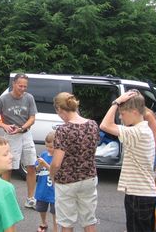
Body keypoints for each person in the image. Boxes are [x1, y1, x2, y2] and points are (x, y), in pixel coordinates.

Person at [100, 90, 156, 232]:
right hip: (142, 194)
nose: (120, 116)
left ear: (135, 112)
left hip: (139, 197)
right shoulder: (141, 130)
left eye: (123, 113)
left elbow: (105, 125)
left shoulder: (137, 132)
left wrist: (116, 102)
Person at [50, 92, 99, 232]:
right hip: (89, 177)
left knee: (67, 223)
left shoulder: (63, 130)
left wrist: (51, 175)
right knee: (89, 221)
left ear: (59, 109)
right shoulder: (93, 125)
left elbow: (57, 163)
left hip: (67, 181)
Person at [0, 73, 38, 209]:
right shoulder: (4, 99)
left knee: (31, 166)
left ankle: (30, 199)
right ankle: (5, 199)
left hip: (26, 134)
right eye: (20, 85)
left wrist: (22, 128)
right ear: (14, 84)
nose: (23, 88)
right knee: (7, 167)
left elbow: (32, 118)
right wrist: (4, 126)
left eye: (25, 86)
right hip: (10, 136)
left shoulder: (29, 98)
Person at [35, 131, 58, 232]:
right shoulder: (44, 154)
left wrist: (44, 164)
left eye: (51, 147)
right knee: (41, 208)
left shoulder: (58, 157)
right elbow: (36, 169)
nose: (49, 149)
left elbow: (56, 172)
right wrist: (40, 165)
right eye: (47, 146)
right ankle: (43, 222)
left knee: (54, 211)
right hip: (42, 188)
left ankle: (55, 228)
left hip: (54, 190)